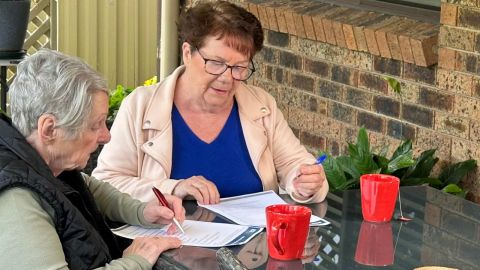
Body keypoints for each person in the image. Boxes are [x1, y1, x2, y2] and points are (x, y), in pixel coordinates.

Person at [93, 1, 329, 204]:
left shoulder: (261, 105)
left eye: (239, 68)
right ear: (187, 53)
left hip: (253, 251)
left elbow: (295, 163)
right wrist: (173, 188)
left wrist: (303, 182)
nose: (227, 78)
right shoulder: (141, 106)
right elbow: (105, 185)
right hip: (168, 247)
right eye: (215, 63)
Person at [0, 49, 185, 270]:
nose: (106, 136)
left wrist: (142, 211)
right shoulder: (15, 198)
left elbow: (88, 189)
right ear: (49, 129)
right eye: (94, 125)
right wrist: (136, 262)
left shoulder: (49, 165)